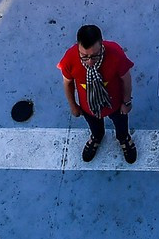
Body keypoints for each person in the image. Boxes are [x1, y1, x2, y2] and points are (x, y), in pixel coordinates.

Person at [59, 25, 139, 165]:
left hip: (115, 104)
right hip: (88, 106)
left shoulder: (115, 53)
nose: (90, 61)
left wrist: (126, 102)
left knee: (121, 124)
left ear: (102, 44)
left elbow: (126, 79)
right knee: (94, 126)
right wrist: (73, 105)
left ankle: (123, 138)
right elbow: (67, 83)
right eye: (84, 56)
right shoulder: (70, 58)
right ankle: (97, 136)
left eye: (95, 56)